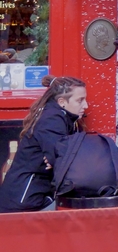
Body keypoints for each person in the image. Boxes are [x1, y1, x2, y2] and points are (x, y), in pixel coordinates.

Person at [0, 76, 88, 213]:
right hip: (26, 201)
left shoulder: (64, 118)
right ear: (62, 102)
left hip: (33, 197)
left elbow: (62, 159)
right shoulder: (52, 120)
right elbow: (63, 161)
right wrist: (58, 160)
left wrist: (58, 159)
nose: (86, 105)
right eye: (80, 100)